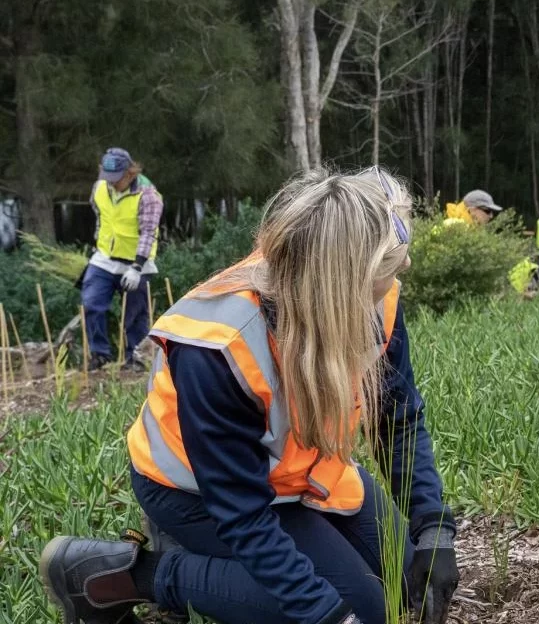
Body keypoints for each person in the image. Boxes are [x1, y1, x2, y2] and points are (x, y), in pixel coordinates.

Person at [39, 168, 459, 624]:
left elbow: (398, 418)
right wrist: (327, 616)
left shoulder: (376, 298)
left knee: (404, 587)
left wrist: (433, 529)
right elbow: (243, 515)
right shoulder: (218, 345)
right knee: (363, 610)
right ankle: (123, 576)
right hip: (195, 491)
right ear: (342, 281)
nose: (406, 268)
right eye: (392, 263)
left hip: (302, 474)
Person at [81, 147, 164, 371]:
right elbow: (100, 214)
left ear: (130, 173)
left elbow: (148, 232)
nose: (111, 183)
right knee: (91, 302)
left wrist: (137, 266)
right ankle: (100, 355)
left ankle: (136, 358)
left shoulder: (148, 195)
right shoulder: (100, 187)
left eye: (116, 179)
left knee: (135, 314)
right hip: (105, 258)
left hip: (137, 262)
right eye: (107, 178)